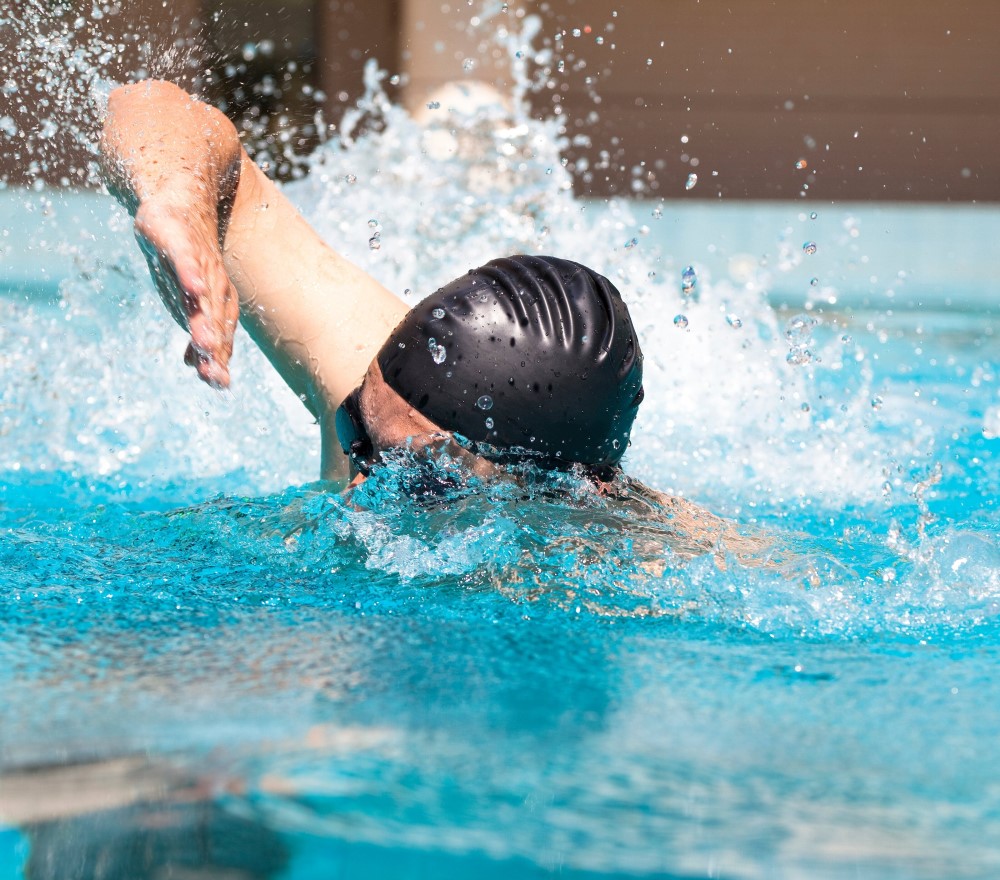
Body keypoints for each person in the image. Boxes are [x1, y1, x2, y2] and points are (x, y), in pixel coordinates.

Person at [99, 80, 770, 563]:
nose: (360, 491)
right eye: (354, 426)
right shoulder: (387, 404)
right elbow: (147, 106)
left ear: (560, 500)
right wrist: (179, 198)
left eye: (423, 481)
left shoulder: (658, 576)